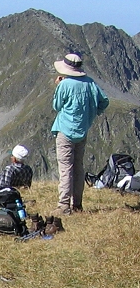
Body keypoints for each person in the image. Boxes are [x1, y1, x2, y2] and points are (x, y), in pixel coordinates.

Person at [51, 53, 109, 215]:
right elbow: (104, 101)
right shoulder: (90, 83)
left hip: (65, 131)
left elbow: (56, 106)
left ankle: (63, 205)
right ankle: (77, 204)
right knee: (78, 167)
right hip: (82, 131)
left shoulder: (65, 85)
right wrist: (92, 112)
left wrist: (58, 86)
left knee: (66, 168)